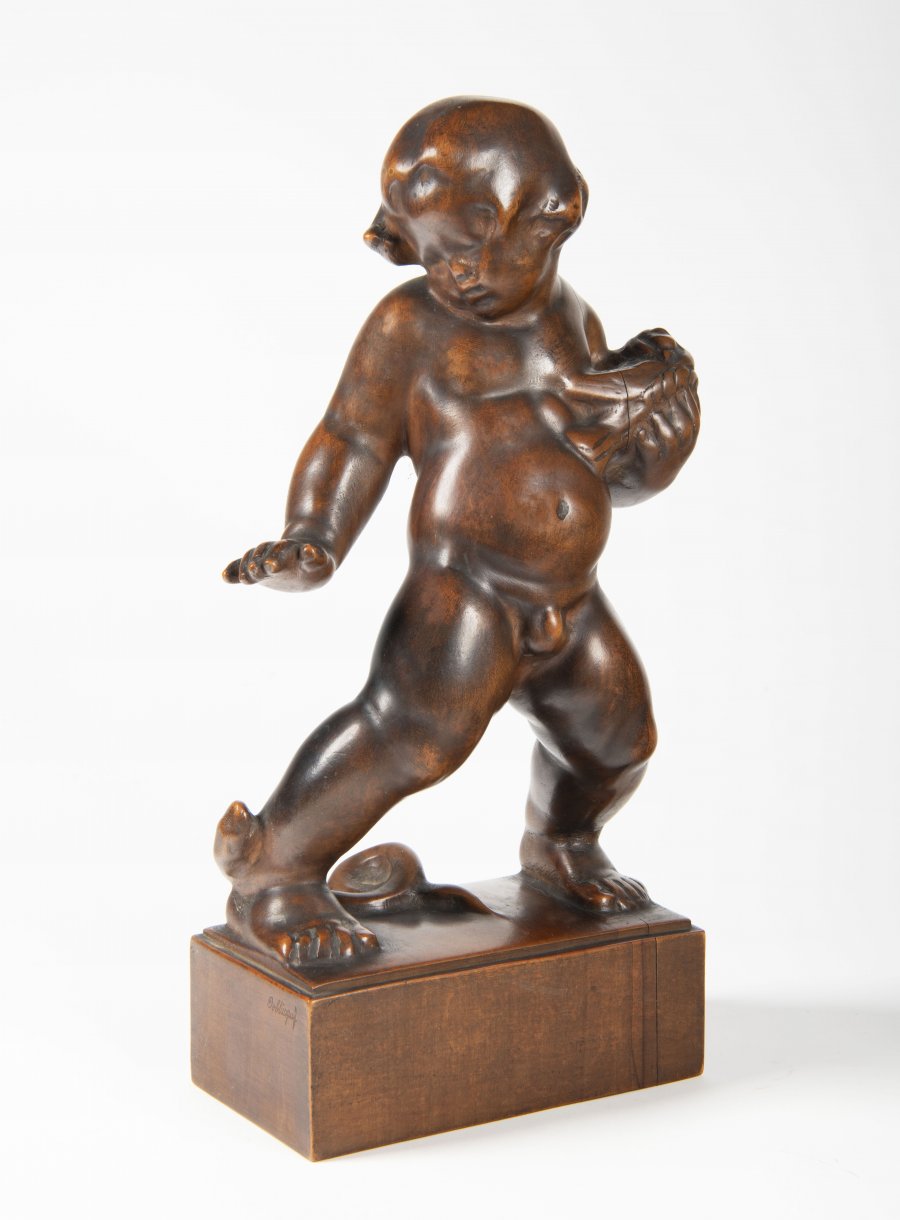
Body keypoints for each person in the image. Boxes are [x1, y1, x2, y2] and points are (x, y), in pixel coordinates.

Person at [216, 97, 700, 966]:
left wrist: (655, 462)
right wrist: (314, 533)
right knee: (410, 735)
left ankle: (561, 843)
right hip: (464, 593)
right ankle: (275, 870)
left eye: (473, 250)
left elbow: (597, 467)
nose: (455, 275)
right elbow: (353, 438)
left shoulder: (573, 320)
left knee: (618, 740)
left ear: (555, 218)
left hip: (569, 600)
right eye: (434, 254)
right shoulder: (409, 327)